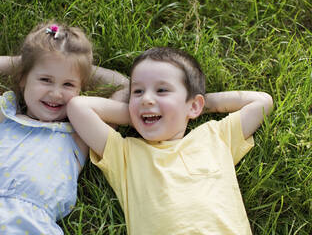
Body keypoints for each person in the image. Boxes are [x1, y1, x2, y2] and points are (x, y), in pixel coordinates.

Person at [0, 21, 128, 235]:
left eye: (68, 84)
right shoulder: (0, 120)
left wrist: (80, 64)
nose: (56, 93)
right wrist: (24, 61)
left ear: (81, 89)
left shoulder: (81, 136)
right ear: (23, 78)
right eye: (45, 79)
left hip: (31, 228)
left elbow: (123, 85)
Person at [67, 47, 274, 235]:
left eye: (162, 90)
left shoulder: (215, 136)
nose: (146, 99)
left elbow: (262, 102)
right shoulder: (124, 154)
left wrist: (198, 105)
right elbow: (78, 107)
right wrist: (138, 113)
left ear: (194, 106)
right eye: (137, 91)